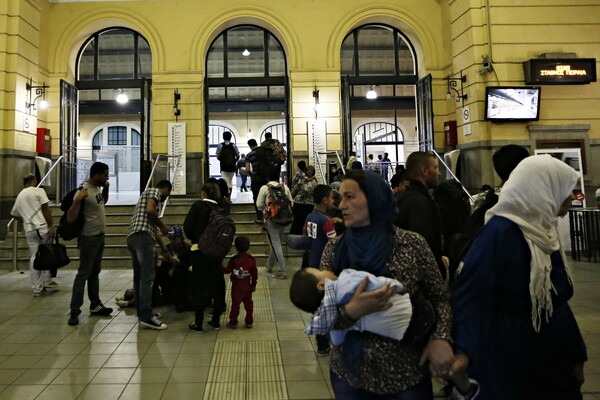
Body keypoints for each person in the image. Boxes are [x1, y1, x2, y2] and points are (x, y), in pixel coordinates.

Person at [452, 155, 587, 400]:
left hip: (550, 359)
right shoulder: (500, 234)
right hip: (509, 359)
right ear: (542, 189)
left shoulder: (543, 230)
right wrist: (464, 351)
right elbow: (471, 297)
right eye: (565, 190)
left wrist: (577, 354)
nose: (570, 197)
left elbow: (556, 303)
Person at [320, 169, 454, 398]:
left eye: (349, 197)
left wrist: (441, 338)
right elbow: (320, 311)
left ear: (375, 199)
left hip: (406, 376)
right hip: (350, 377)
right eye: (340, 198)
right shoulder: (335, 250)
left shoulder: (411, 245)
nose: (341, 205)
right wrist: (351, 312)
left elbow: (440, 297)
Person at [66, 162, 113, 326]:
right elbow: (70, 218)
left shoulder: (97, 190)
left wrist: (106, 189)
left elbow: (102, 203)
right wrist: (77, 201)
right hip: (89, 238)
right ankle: (74, 311)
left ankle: (95, 304)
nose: (107, 177)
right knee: (83, 274)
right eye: (105, 175)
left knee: (95, 272)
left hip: (99, 236)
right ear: (96, 175)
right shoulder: (82, 192)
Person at [394, 151, 447, 279]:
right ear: (424, 171)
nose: (439, 173)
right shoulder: (420, 203)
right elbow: (425, 249)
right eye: (435, 168)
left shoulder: (400, 198)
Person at [127, 180, 172, 330]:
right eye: (168, 194)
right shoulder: (155, 192)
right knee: (147, 278)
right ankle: (146, 316)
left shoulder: (146, 196)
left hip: (134, 237)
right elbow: (150, 211)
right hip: (143, 238)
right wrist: (163, 226)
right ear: (165, 189)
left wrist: (163, 247)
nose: (166, 197)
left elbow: (152, 227)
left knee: (139, 277)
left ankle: (143, 313)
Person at [184, 181, 228, 333]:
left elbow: (188, 228)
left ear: (203, 193)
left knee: (200, 287)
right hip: (216, 254)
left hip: (199, 251)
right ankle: (215, 321)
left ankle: (198, 323)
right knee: (216, 285)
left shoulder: (198, 206)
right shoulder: (220, 208)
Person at [10, 173, 57, 296]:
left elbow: (13, 214)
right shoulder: (38, 191)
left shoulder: (20, 195)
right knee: (46, 253)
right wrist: (51, 225)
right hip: (42, 228)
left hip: (29, 230)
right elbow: (46, 208)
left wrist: (25, 220)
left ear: (24, 183)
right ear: (34, 181)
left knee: (34, 257)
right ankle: (47, 280)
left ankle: (37, 288)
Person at [256, 170, 293, 279]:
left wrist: (267, 209)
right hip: (283, 219)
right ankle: (269, 266)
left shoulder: (264, 188)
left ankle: (282, 270)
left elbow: (258, 205)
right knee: (276, 243)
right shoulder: (285, 188)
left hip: (270, 219)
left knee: (275, 244)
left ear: (267, 178)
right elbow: (291, 202)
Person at [222, 236, 257, 329]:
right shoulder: (251, 260)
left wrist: (219, 266)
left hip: (236, 287)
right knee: (249, 305)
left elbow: (227, 270)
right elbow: (254, 275)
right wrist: (253, 285)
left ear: (236, 247)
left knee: (235, 305)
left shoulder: (234, 260)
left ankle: (233, 322)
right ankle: (249, 322)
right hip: (247, 287)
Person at [156, 225, 192, 311]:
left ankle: (180, 301)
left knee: (178, 272)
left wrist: (179, 263)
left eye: (175, 239)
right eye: (171, 239)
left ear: (180, 238)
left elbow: (190, 268)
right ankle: (160, 296)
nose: (172, 241)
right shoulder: (168, 247)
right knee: (156, 271)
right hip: (170, 274)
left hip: (183, 275)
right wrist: (164, 260)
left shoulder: (187, 249)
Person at [289, 165, 317, 235]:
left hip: (298, 204)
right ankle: (309, 240)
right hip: (310, 206)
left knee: (297, 223)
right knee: (309, 223)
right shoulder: (315, 183)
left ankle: (294, 240)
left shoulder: (301, 181)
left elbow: (292, 193)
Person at [245, 139, 267, 223]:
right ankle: (268, 216)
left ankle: (259, 217)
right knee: (267, 197)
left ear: (249, 146)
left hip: (256, 179)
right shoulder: (264, 152)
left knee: (257, 197)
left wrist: (252, 175)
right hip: (266, 178)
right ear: (256, 143)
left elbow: (247, 170)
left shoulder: (249, 155)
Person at [216, 130, 240, 197]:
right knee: (230, 181)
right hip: (232, 167)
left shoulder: (220, 145)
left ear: (223, 137)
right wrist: (234, 161)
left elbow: (218, 156)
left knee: (225, 182)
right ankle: (229, 197)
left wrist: (222, 160)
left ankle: (226, 196)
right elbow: (238, 156)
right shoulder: (233, 145)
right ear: (230, 137)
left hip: (224, 167)